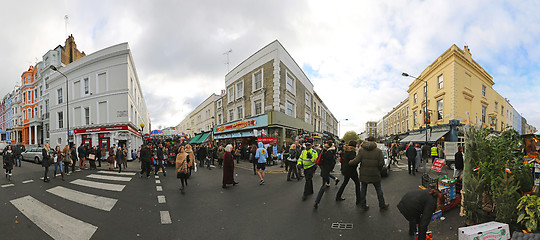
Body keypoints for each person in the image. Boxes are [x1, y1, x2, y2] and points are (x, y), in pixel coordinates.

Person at [349, 136, 389, 212]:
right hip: (375, 173)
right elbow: (382, 163)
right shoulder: (378, 151)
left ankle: (363, 206)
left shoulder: (361, 150)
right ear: (374, 141)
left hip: (364, 173)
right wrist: (378, 170)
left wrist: (349, 162)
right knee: (378, 190)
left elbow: (356, 161)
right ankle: (382, 205)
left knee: (363, 190)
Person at [314, 143, 337, 208]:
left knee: (323, 184)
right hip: (326, 170)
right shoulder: (329, 153)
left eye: (325, 146)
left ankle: (317, 201)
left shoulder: (326, 153)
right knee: (323, 186)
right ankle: (316, 201)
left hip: (324, 170)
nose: (323, 147)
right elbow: (332, 163)